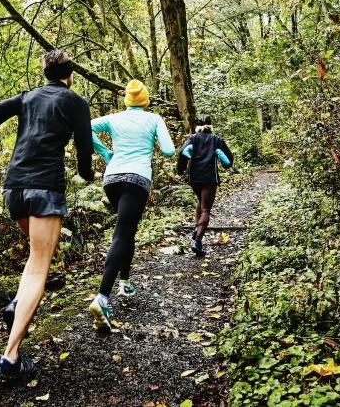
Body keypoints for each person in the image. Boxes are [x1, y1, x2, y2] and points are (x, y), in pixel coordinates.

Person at [0, 50, 94, 381]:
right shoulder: (75, 102)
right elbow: (85, 152)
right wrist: (87, 173)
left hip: (14, 188)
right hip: (45, 188)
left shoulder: (27, 98)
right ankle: (10, 358)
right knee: (40, 266)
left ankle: (17, 304)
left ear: (47, 74)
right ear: (70, 76)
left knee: (34, 258)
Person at [87, 79, 175, 330]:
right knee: (122, 234)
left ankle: (125, 281)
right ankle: (102, 296)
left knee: (128, 230)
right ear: (146, 100)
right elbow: (168, 151)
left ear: (126, 100)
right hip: (137, 180)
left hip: (112, 179)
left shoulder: (113, 118)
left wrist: (105, 152)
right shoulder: (154, 118)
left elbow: (85, 127)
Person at [177, 116, 233, 257]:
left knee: (201, 203)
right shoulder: (216, 140)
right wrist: (224, 161)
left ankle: (198, 238)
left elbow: (183, 152)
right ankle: (197, 240)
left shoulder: (192, 138)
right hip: (209, 179)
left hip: (195, 178)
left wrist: (181, 169)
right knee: (206, 209)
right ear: (210, 126)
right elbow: (227, 161)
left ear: (197, 127)